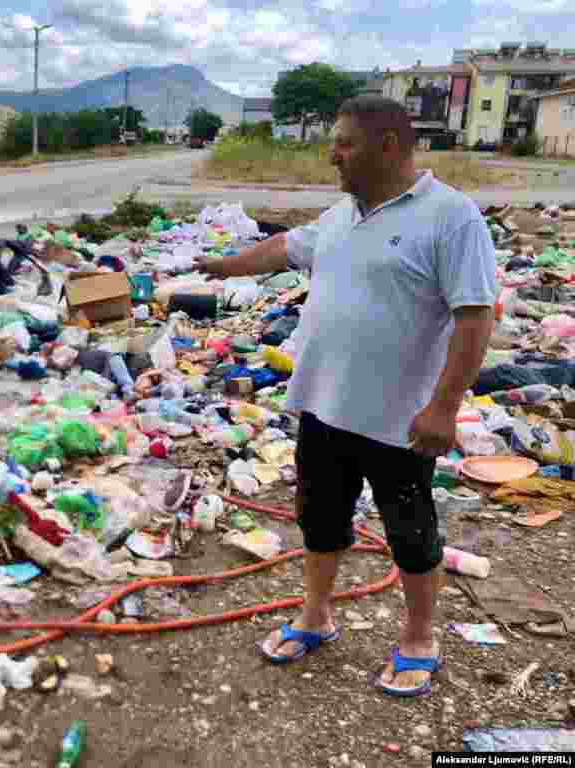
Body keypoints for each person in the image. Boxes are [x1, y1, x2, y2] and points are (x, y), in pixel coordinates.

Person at [201, 96, 497, 697]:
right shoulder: (343, 214)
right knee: (320, 522)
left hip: (400, 420)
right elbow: (286, 247)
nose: (331, 154)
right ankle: (317, 616)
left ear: (388, 145)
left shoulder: (451, 217)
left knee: (411, 533)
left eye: (343, 142)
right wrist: (226, 266)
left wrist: (444, 407)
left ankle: (419, 638)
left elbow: (474, 317)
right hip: (322, 406)